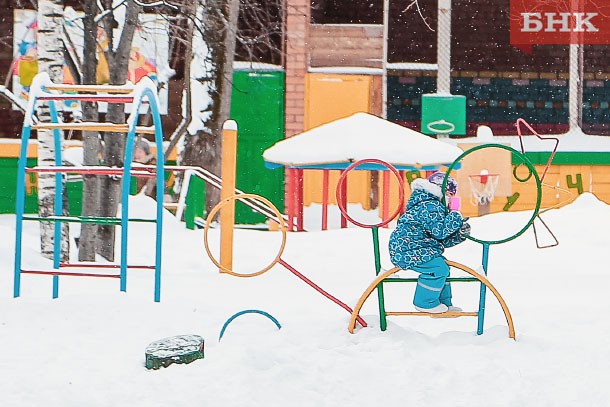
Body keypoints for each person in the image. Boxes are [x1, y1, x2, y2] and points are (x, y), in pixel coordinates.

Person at [388, 171, 471, 314]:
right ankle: (425, 302)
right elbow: (440, 231)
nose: (452, 201)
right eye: (451, 196)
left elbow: (440, 238)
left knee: (442, 267)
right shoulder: (430, 206)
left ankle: (444, 303)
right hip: (408, 248)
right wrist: (455, 214)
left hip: (416, 247)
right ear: (443, 192)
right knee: (438, 269)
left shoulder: (430, 204)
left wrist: (459, 234)